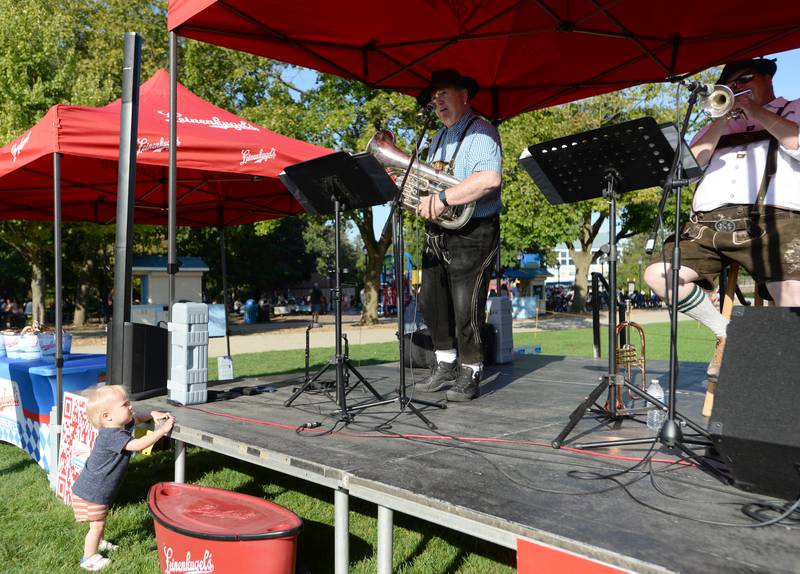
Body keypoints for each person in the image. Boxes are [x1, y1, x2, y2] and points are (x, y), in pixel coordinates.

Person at [644, 57, 800, 380]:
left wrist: (756, 113)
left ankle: (780, 382)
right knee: (659, 275)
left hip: (774, 222)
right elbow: (687, 169)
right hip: (708, 225)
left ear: (767, 79)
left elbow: (796, 143)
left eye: (745, 80)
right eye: (731, 85)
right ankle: (728, 334)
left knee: (793, 298)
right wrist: (720, 119)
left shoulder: (792, 107)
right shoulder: (718, 121)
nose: (738, 89)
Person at [413, 69, 503, 401]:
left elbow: (489, 179)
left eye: (444, 95)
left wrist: (443, 198)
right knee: (431, 299)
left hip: (474, 231)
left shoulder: (482, 132)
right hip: (441, 232)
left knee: (467, 304)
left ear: (464, 96)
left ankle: (471, 370)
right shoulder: (438, 137)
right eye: (434, 99)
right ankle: (445, 363)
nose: (437, 103)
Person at [71, 385, 174, 571]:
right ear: (107, 416)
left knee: (100, 521)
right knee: (97, 525)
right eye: (125, 404)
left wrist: (152, 413)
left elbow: (136, 418)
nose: (131, 406)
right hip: (92, 492)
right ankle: (89, 557)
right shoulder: (111, 436)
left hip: (95, 488)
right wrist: (161, 431)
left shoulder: (120, 425)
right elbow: (138, 444)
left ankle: (100, 543)